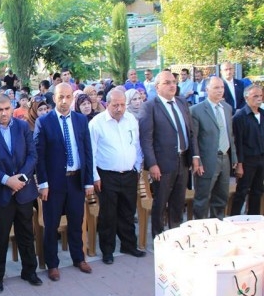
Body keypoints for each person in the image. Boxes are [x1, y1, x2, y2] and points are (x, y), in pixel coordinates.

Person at [0, 94, 43, 293]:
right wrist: (7, 180)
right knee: (0, 237)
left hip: (24, 191)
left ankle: (29, 271)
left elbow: (32, 155)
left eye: (6, 109)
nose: (4, 113)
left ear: (12, 108)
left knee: (26, 233)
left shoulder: (22, 127)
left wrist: (21, 179)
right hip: (0, 193)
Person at [34, 83, 94, 280]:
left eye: (68, 97)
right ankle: (52, 264)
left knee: (76, 221)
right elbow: (39, 156)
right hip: (54, 183)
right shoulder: (44, 122)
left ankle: (79, 258)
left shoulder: (80, 120)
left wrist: (88, 181)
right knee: (51, 225)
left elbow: (87, 151)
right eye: (61, 97)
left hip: (76, 180)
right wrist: (43, 183)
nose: (64, 101)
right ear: (54, 98)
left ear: (72, 98)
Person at [138, 71, 198, 237]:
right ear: (157, 87)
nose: (172, 85)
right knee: (160, 203)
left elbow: (191, 132)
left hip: (183, 160)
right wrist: (152, 164)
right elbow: (146, 139)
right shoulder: (150, 106)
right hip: (162, 164)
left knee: (178, 202)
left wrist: (195, 156)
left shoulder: (182, 102)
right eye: (167, 83)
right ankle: (158, 237)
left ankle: (175, 236)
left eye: (174, 82)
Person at [89, 90, 145, 265]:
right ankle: (107, 251)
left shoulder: (131, 119)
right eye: (115, 105)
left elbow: (136, 144)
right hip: (107, 175)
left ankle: (128, 245)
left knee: (128, 212)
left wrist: (137, 166)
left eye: (122, 105)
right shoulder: (97, 123)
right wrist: (95, 176)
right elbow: (91, 153)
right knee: (108, 215)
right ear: (107, 104)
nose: (119, 108)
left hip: (129, 174)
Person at [190, 77, 237, 220]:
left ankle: (217, 226)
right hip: (207, 161)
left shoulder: (227, 108)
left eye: (222, 87)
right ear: (207, 89)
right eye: (216, 87)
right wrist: (197, 160)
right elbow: (194, 138)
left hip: (225, 158)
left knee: (221, 197)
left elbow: (230, 134)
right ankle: (201, 228)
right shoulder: (196, 110)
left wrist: (234, 157)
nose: (220, 90)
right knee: (203, 199)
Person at [231, 85, 264, 215]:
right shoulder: (240, 117)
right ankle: (234, 218)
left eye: (260, 96)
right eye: (255, 96)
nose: (259, 99)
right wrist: (239, 164)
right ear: (246, 98)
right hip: (247, 160)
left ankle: (253, 218)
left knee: (257, 191)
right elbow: (237, 142)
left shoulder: (262, 114)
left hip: (261, 159)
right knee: (242, 191)